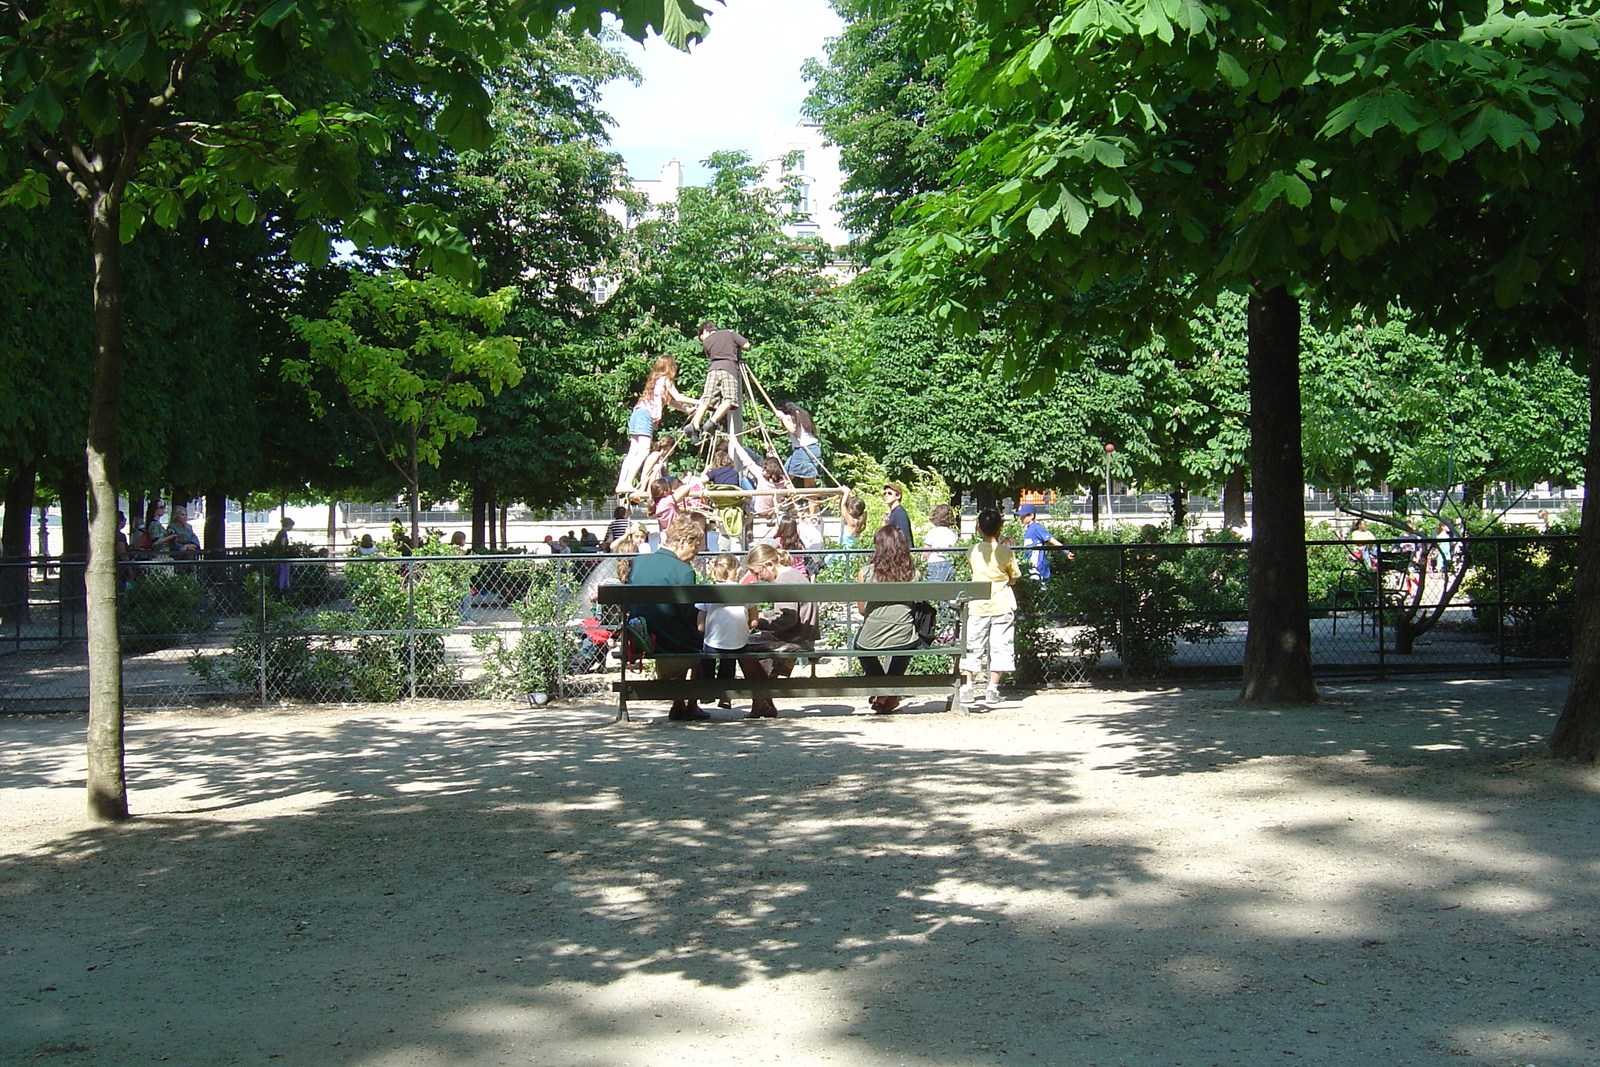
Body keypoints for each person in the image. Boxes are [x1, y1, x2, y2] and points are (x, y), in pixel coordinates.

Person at [744, 543, 820, 717]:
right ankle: (764, 702)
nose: (758, 577)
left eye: (758, 572)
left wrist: (758, 622)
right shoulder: (793, 574)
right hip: (802, 634)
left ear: (770, 565)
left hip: (795, 638)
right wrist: (763, 615)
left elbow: (787, 619)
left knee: (743, 648)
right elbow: (786, 612)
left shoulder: (784, 580)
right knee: (749, 646)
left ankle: (761, 701)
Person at [854, 524, 920, 714]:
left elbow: (861, 610)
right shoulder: (914, 574)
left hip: (870, 639)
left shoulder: (866, 572)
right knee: (906, 643)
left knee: (857, 645)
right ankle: (887, 695)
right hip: (904, 636)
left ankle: (883, 693)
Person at [962, 507, 1020, 709]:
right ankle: (992, 689)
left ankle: (967, 686)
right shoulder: (1006, 552)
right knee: (1000, 646)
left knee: (972, 645)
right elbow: (1013, 577)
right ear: (1001, 527)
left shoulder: (973, 551)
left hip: (978, 604)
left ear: (978, 528)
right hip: (1001, 603)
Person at [617, 353, 697, 496]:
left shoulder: (655, 381)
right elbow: (677, 396)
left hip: (637, 413)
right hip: (646, 416)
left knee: (633, 451)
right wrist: (700, 402)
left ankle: (621, 483)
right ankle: (628, 482)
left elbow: (670, 401)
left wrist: (686, 410)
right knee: (643, 451)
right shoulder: (666, 379)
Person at [697, 554, 756, 711]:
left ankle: (707, 692)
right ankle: (725, 696)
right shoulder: (746, 592)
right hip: (738, 641)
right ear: (736, 571)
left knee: (707, 658)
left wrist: (704, 630)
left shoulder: (708, 591)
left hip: (712, 642)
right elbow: (754, 621)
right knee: (729, 661)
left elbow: (700, 623)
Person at [688, 321, 751, 437]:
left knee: (706, 399)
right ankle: (712, 421)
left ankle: (695, 424)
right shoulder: (729, 333)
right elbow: (747, 345)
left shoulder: (707, 342)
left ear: (706, 331)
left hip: (712, 370)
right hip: (728, 368)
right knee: (730, 399)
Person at [776, 401, 823, 490]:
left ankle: (793, 495)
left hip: (803, 450)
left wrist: (782, 417)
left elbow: (792, 429)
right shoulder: (802, 415)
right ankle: (812, 503)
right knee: (810, 486)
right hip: (813, 448)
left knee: (784, 478)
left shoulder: (789, 417)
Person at [1016, 503, 1064, 581]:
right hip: (1031, 567)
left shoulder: (1037, 528)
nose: (1020, 518)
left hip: (1038, 568)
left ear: (1031, 515)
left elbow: (1051, 539)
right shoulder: (1028, 529)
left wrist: (1066, 551)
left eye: (1023, 516)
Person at [923, 504, 960, 582]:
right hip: (949, 564)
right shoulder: (953, 533)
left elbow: (926, 552)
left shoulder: (932, 532)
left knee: (932, 590)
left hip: (934, 563)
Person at [882, 483, 913, 548]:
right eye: (885, 493)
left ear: (898, 496)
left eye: (890, 493)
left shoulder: (899, 513)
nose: (886, 495)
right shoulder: (893, 513)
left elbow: (904, 536)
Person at [272, 516, 294, 591]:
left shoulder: (280, 533)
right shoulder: (283, 534)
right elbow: (283, 544)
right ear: (288, 525)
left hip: (279, 555)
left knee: (282, 571)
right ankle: (282, 587)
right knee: (284, 571)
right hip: (282, 556)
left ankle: (281, 587)